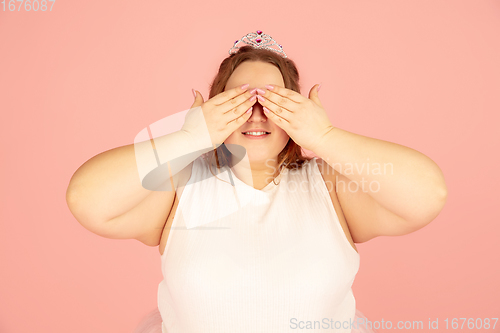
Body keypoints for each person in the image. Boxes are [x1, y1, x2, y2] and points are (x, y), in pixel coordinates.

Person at [66, 30, 448, 333]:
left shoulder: (332, 188)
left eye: (275, 102)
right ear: (213, 109)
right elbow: (87, 198)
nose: (256, 116)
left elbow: (428, 194)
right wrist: (188, 140)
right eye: (239, 102)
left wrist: (325, 137)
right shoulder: (180, 187)